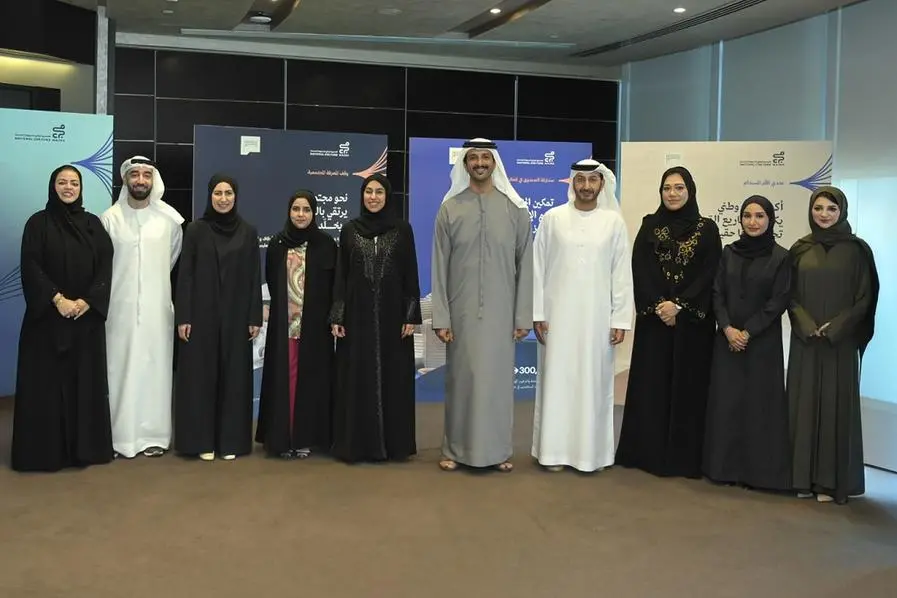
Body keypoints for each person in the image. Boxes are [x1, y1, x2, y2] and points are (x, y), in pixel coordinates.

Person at [431, 138, 534, 472]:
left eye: (485, 157)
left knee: (497, 384)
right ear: (465, 164)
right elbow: (439, 266)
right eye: (473, 158)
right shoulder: (450, 209)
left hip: (502, 313)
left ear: (494, 163)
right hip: (461, 312)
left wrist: (523, 315)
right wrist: (441, 316)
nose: (479, 163)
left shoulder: (515, 210)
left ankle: (498, 451)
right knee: (462, 381)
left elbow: (526, 266)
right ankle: (454, 449)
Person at [615, 166, 722, 479]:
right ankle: (647, 455)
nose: (672, 194)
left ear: (690, 190)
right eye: (667, 188)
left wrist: (680, 306)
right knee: (653, 386)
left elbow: (710, 273)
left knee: (689, 389)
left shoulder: (707, 229)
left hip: (692, 326)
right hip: (656, 323)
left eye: (678, 188)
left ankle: (684, 460)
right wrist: (660, 306)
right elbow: (640, 268)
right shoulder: (650, 225)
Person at [531, 159, 633, 473]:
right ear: (573, 183)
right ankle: (553, 453)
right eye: (581, 180)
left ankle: (591, 456)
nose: (586, 186)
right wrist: (538, 312)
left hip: (597, 320)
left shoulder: (613, 223)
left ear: (602, 184)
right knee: (557, 382)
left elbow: (621, 275)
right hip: (557, 317)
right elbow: (538, 268)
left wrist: (620, 319)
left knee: (593, 384)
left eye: (593, 180)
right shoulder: (553, 218)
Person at [11, 165, 115, 472]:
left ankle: (85, 451)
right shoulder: (38, 223)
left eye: (74, 183)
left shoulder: (94, 224)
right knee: (45, 388)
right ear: (52, 186)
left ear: (81, 188)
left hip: (85, 320)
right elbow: (31, 266)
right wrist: (57, 299)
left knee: (84, 386)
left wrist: (86, 301)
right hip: (46, 322)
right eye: (62, 182)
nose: (68, 187)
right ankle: (45, 454)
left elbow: (105, 266)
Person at [787, 186, 879, 504]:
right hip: (806, 340)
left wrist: (837, 326)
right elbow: (788, 294)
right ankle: (800, 478)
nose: (823, 214)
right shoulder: (800, 249)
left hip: (840, 342)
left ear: (842, 211)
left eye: (831, 209)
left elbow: (865, 297)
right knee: (803, 405)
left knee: (834, 408)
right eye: (818, 208)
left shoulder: (857, 250)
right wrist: (805, 324)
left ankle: (828, 483)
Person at [330, 174, 422, 463]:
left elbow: (410, 274)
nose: (373, 197)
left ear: (387, 196)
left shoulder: (402, 230)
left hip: (393, 319)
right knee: (357, 378)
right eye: (368, 191)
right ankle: (358, 446)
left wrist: (411, 315)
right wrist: (338, 315)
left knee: (394, 378)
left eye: (379, 192)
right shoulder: (349, 230)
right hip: (357, 318)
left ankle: (394, 446)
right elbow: (341, 276)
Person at [703, 196, 792, 491]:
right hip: (727, 341)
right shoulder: (729, 253)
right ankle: (723, 469)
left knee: (758, 408)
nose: (753, 222)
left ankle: (758, 474)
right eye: (747, 216)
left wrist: (747, 332)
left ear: (770, 220)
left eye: (759, 216)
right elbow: (717, 292)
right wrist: (728, 328)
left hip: (761, 345)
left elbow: (778, 301)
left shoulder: (781, 257)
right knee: (726, 405)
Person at [173, 174, 262, 461]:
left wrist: (254, 317)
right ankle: (202, 441)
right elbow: (185, 275)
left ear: (236, 196)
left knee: (234, 379)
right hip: (201, 316)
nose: (223, 199)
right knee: (200, 378)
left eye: (228, 193)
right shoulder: (196, 230)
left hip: (237, 316)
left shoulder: (248, 232)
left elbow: (254, 277)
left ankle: (230, 442)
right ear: (210, 195)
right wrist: (183, 316)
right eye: (218, 193)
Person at [101, 156, 184, 459]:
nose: (140, 180)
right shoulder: (109, 219)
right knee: (119, 370)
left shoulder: (170, 221)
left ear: (153, 180)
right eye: (134, 175)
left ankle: (154, 436)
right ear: (126, 180)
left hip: (156, 310)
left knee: (155, 370)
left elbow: (171, 259)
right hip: (118, 310)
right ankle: (119, 438)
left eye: (146, 175)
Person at [256, 190, 337, 460]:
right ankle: (282, 437)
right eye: (296, 209)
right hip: (284, 327)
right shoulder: (278, 244)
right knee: (285, 379)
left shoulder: (326, 244)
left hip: (315, 328)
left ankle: (305, 438)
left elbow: (333, 286)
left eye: (306, 210)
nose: (301, 215)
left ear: (314, 213)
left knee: (311, 381)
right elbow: (272, 280)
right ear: (289, 212)